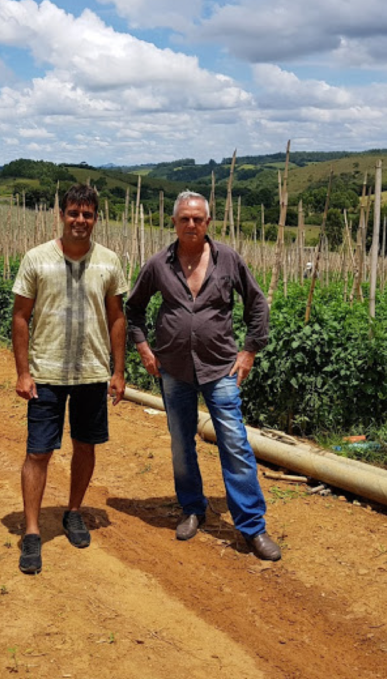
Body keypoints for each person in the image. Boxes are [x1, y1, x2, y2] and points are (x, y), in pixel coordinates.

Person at [126, 191, 282, 562]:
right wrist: (144, 347)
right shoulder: (158, 264)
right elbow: (133, 309)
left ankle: (251, 527)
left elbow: (257, 302)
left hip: (220, 367)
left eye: (198, 218)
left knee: (235, 443)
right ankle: (193, 509)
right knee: (182, 444)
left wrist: (249, 351)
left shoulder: (227, 259)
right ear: (175, 222)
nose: (191, 224)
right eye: (184, 218)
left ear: (208, 222)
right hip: (174, 369)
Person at [12, 184, 128, 574]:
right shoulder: (36, 259)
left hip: (92, 373)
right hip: (45, 372)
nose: (80, 220)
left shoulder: (109, 262)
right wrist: (23, 372)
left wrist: (118, 371)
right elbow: (20, 317)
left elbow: (116, 318)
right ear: (61, 215)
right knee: (38, 452)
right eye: (73, 213)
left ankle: (73, 511)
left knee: (85, 445)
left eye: (88, 214)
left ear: (96, 219)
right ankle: (31, 531)